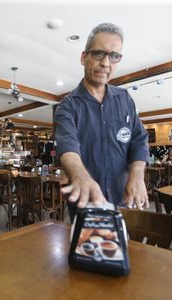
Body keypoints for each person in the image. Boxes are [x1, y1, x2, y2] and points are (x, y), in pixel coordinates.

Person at [54, 23, 149, 220]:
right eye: (98, 53)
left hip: (124, 199)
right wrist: (80, 176)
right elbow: (68, 148)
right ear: (83, 57)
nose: (106, 63)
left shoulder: (125, 99)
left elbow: (139, 139)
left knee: (125, 249)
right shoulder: (67, 106)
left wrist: (137, 173)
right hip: (87, 202)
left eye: (114, 56)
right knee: (88, 250)